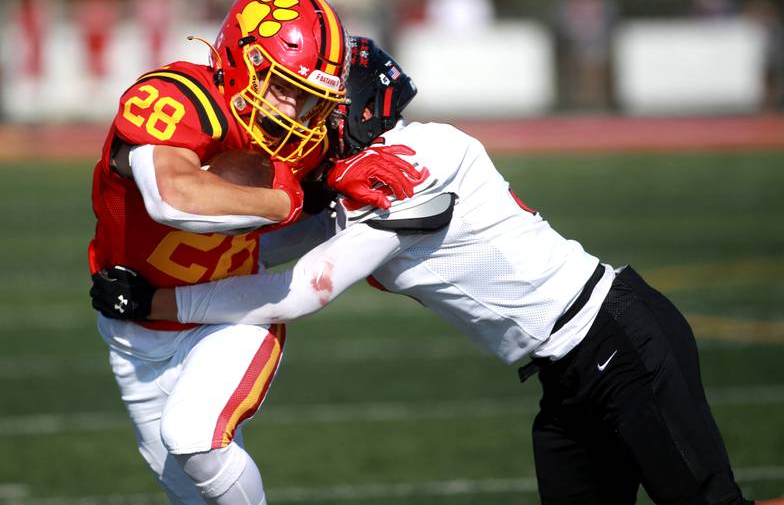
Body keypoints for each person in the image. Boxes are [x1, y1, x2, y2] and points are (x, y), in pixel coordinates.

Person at [92, 37, 781, 505]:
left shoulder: (423, 159)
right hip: (566, 377)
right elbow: (283, 241)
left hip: (619, 343)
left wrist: (161, 300)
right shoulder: (373, 174)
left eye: (323, 109)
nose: (309, 125)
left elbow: (303, 289)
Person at [88, 0, 423, 505]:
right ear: (242, 62)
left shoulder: (309, 134)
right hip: (136, 331)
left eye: (310, 96)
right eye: (283, 86)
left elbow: (377, 128)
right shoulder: (178, 96)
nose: (297, 108)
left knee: (195, 439)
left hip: (232, 311)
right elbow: (172, 198)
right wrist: (284, 200)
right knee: (194, 494)